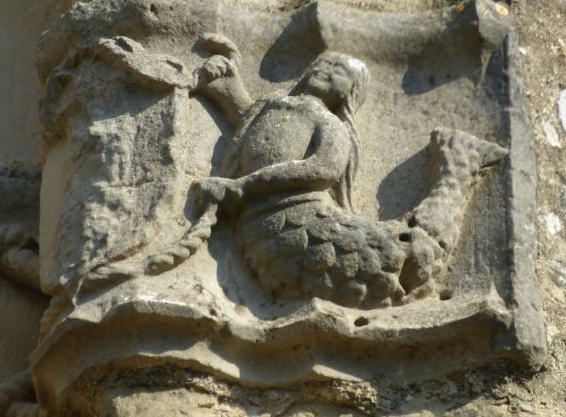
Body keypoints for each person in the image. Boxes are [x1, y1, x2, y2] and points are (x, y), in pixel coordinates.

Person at [193, 35, 507, 308]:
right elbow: (247, 121)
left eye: (340, 72)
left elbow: (322, 168)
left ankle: (460, 164)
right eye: (326, 63)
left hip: (298, 222)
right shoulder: (271, 104)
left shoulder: (332, 125)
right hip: (266, 228)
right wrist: (227, 81)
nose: (328, 71)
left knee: (404, 254)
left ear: (350, 92)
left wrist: (244, 186)